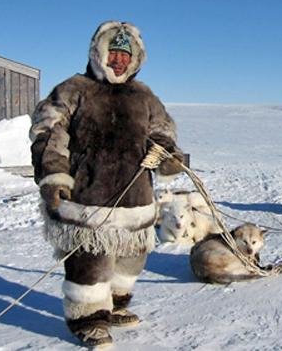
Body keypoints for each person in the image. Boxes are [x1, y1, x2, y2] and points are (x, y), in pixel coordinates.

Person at [29, 21, 184, 347]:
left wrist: (168, 154)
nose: (119, 60)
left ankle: (113, 307)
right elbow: (48, 133)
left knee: (131, 259)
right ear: (97, 53)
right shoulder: (73, 89)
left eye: (126, 55)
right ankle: (88, 321)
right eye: (112, 52)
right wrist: (54, 177)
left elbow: (163, 131)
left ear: (136, 59)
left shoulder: (145, 96)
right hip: (88, 197)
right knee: (90, 261)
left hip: (136, 198)